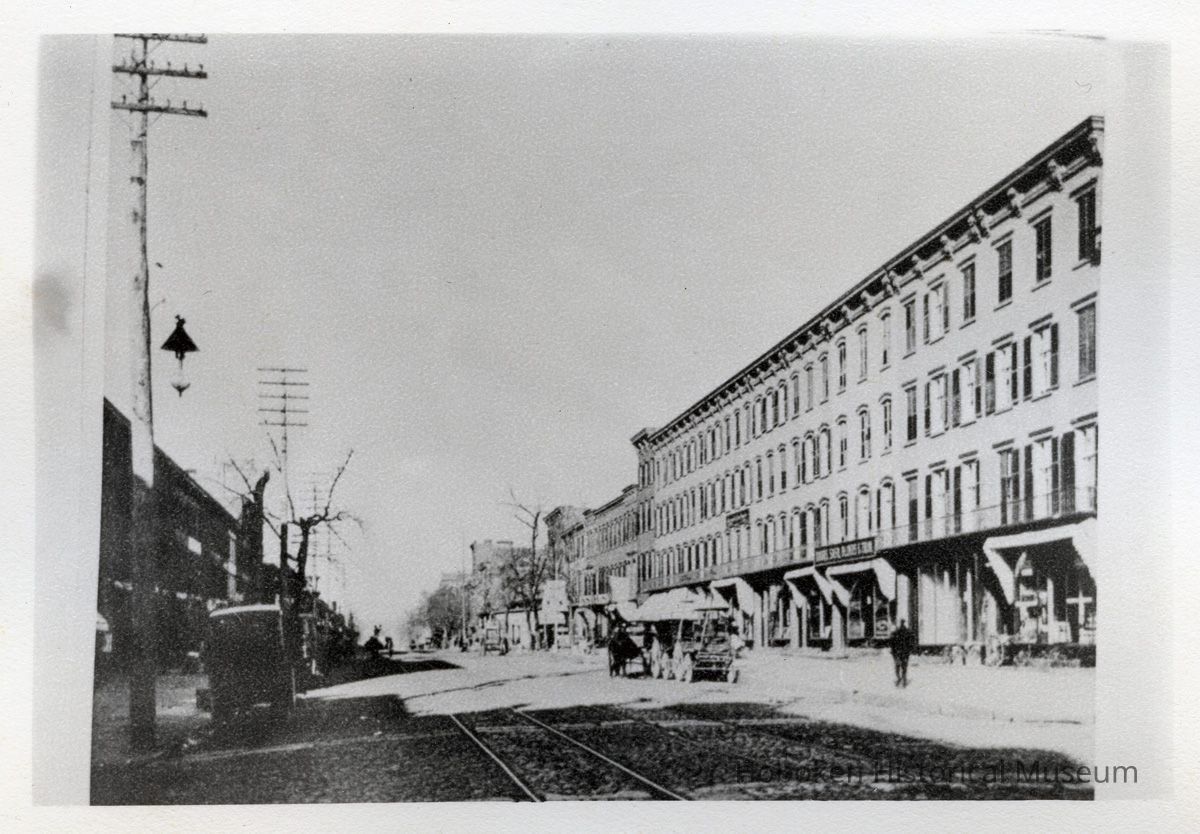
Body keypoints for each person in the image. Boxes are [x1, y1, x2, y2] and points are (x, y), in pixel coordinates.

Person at [889, 620, 917, 687]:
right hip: (905, 652)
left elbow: (892, 643)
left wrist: (893, 651)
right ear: (904, 624)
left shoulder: (895, 632)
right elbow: (912, 642)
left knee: (897, 666)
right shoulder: (908, 632)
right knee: (904, 666)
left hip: (897, 652)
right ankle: (904, 680)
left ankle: (899, 678)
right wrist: (910, 649)